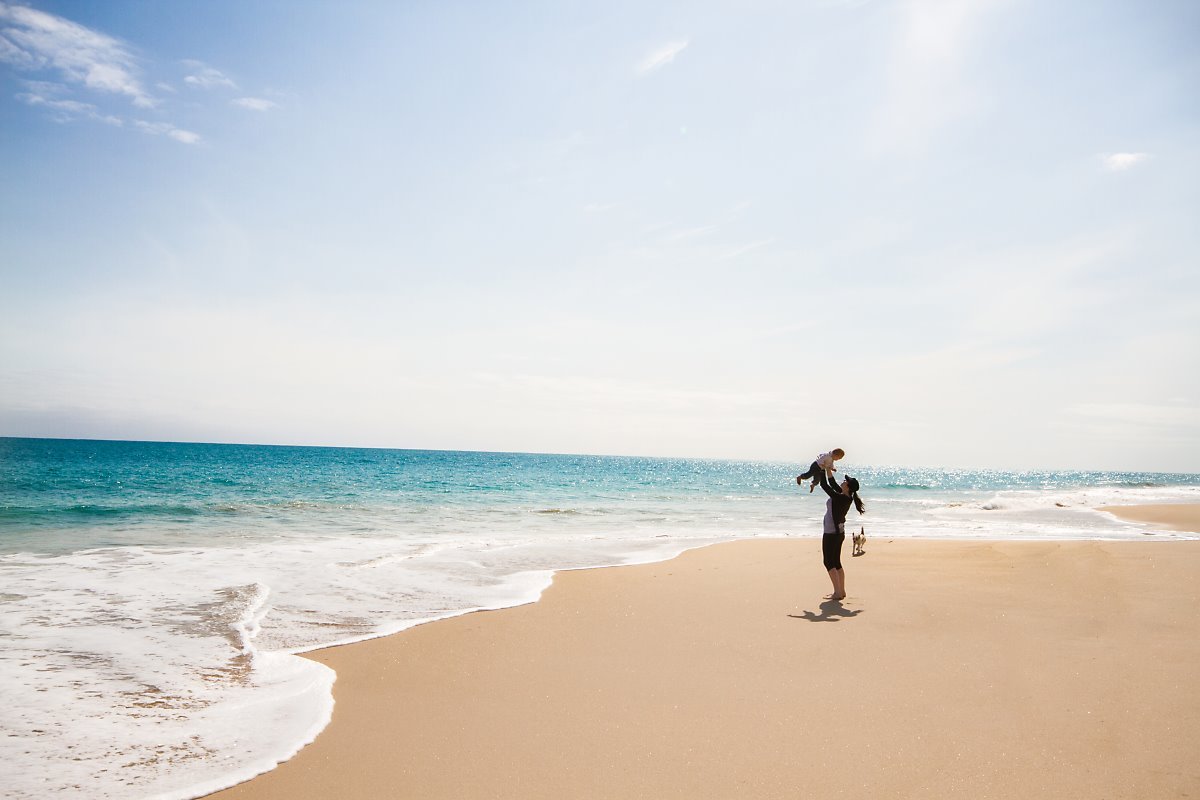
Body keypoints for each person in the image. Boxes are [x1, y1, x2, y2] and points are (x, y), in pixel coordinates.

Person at [816, 472, 865, 600]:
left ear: (847, 487)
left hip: (832, 533)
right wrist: (827, 469)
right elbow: (831, 483)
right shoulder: (846, 496)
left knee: (828, 562)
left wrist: (820, 468)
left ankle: (837, 592)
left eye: (845, 481)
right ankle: (841, 591)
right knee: (836, 562)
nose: (843, 481)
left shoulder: (840, 498)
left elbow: (824, 485)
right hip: (838, 533)